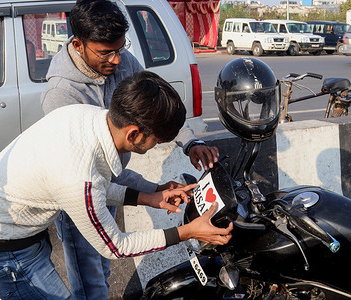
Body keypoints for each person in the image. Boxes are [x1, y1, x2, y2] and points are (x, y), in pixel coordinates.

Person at [0, 70, 233, 300]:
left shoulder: (89, 117)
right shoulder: (77, 175)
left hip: (23, 232)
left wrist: (150, 194)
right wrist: (187, 232)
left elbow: (97, 185)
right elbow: (116, 246)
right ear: (134, 133)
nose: (157, 145)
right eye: (157, 140)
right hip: (7, 254)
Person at [40, 0, 219, 298]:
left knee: (103, 271)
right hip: (76, 194)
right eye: (106, 52)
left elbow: (157, 100)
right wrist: (180, 225)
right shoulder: (61, 95)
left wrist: (190, 141)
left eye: (121, 49)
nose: (118, 60)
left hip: (106, 182)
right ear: (78, 44)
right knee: (91, 284)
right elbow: (120, 245)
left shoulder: (119, 60)